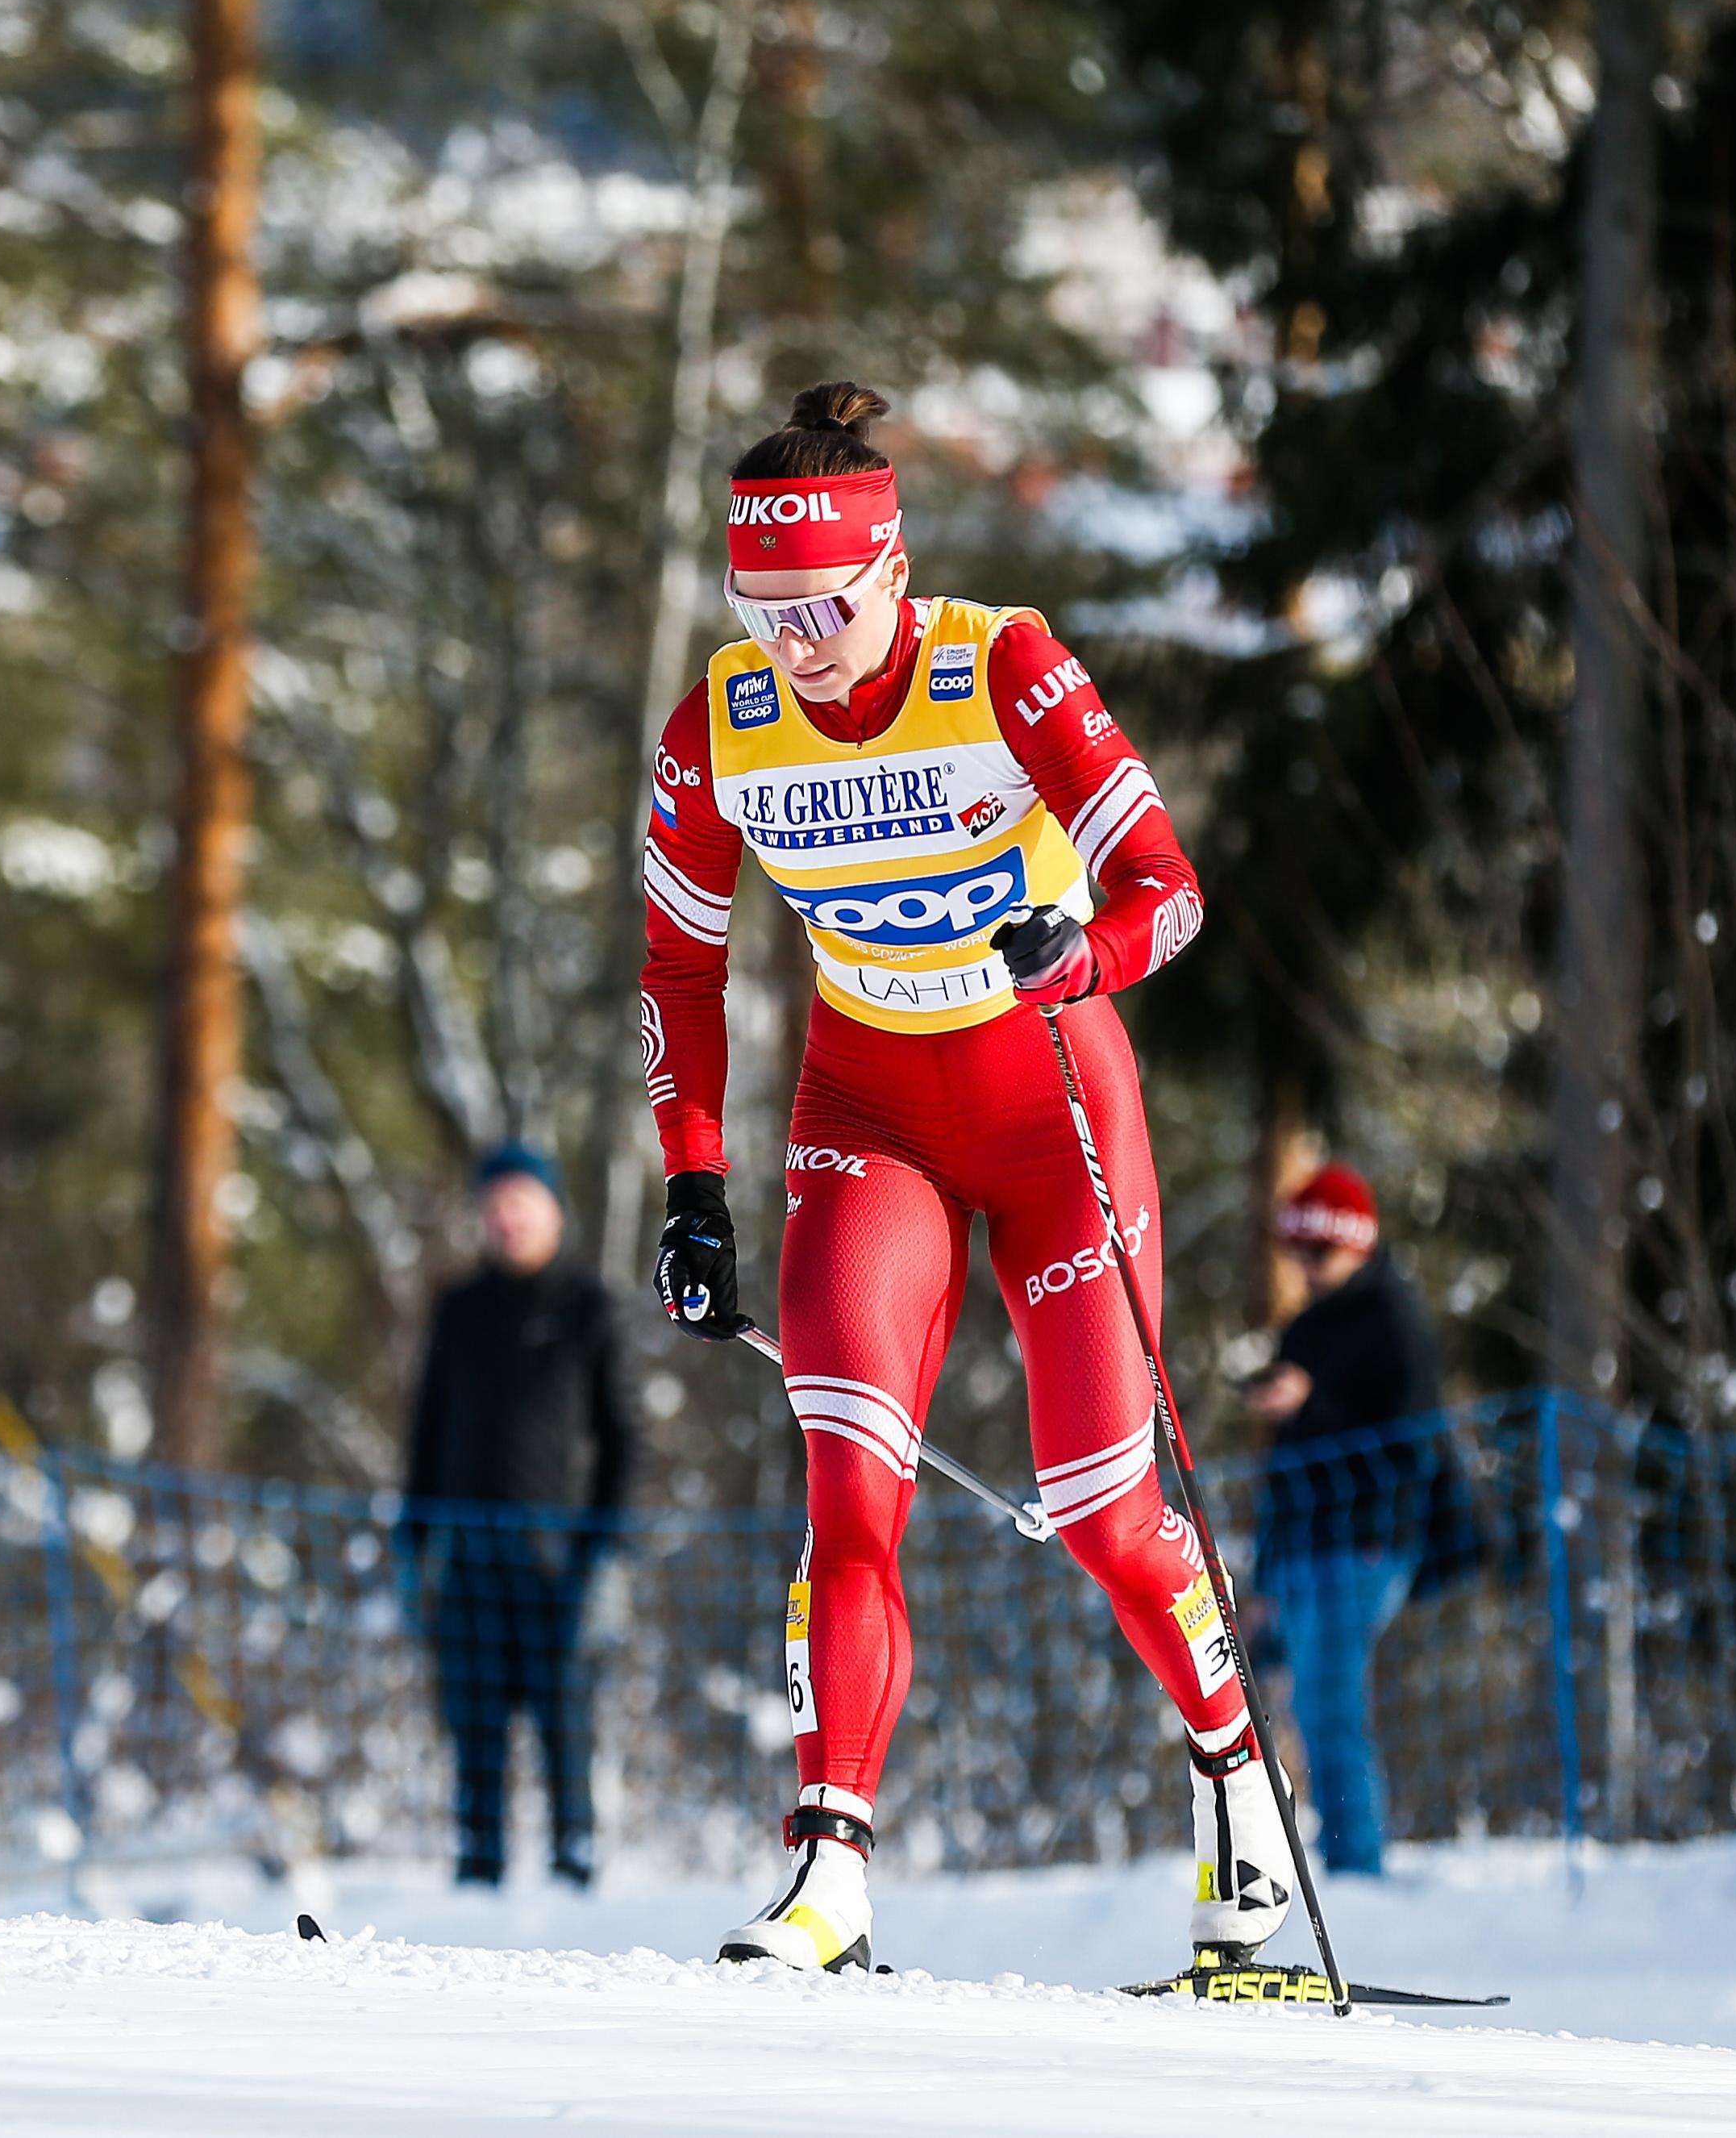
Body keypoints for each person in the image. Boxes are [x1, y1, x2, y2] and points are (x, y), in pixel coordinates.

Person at [641, 381, 1286, 1973]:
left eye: (826, 606)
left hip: (1053, 1106)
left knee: (1099, 1507)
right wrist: (693, 1186)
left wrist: (1089, 950)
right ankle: (828, 1873)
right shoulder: (719, 723)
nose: (795, 643)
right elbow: (677, 967)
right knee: (848, 1487)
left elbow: (1172, 888)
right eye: (762, 607)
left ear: (892, 571)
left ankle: (1238, 1799)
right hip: (870, 1113)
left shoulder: (999, 663)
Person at [398, 1142, 637, 1890]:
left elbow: (623, 1437)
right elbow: (427, 1428)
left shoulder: (588, 1307)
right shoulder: (458, 1310)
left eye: (521, 1203)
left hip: (559, 1558)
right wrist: (413, 1539)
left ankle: (575, 1857)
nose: (508, 1219)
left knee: (563, 1710)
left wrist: (607, 1550)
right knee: (472, 1714)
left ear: (552, 1211)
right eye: (494, 1205)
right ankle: (478, 1862)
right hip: (467, 1551)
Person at [1243, 1162, 1444, 1877]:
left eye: (1317, 1253)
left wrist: (1312, 1402)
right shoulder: (1304, 1326)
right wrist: (1263, 1575)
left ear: (1355, 1243)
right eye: (1295, 1253)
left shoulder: (1393, 1320)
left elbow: (1410, 1443)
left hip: (1361, 1543)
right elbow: (1283, 1465)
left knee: (1329, 1704)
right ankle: (1333, 1861)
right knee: (1302, 1706)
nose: (1304, 1268)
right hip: (1299, 1544)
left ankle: (1354, 1868)